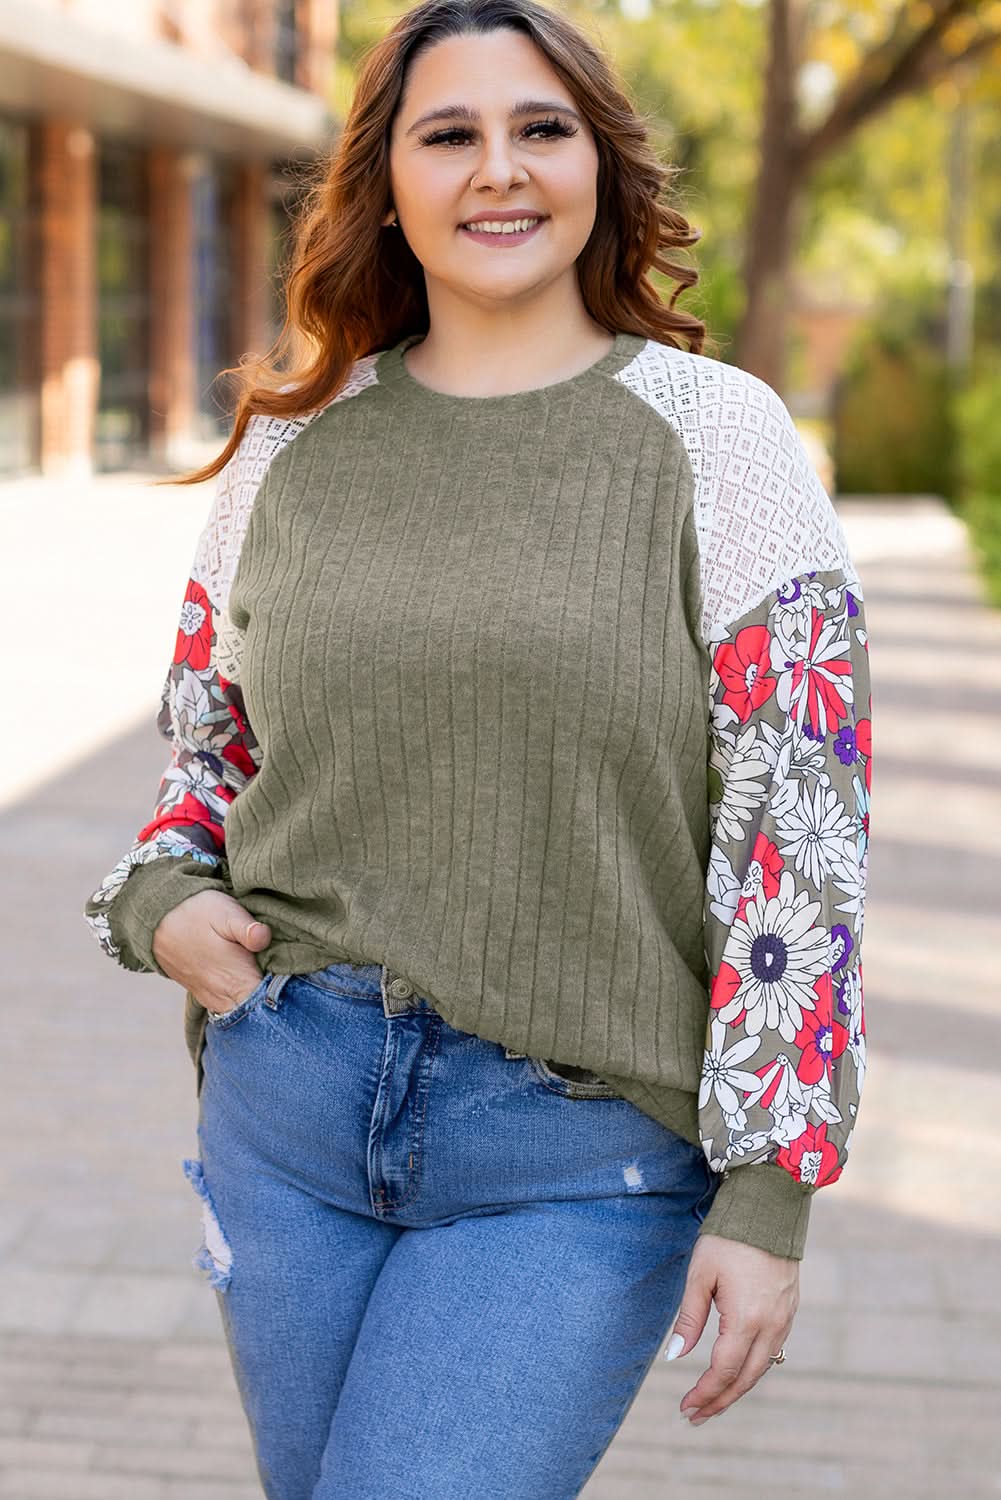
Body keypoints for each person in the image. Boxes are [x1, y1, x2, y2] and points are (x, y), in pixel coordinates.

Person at [83, 0, 872, 1494]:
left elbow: (801, 841)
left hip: (576, 1159)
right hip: (292, 1111)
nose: (497, 171)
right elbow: (205, 752)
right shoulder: (289, 442)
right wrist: (156, 901)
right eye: (449, 135)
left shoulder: (724, 440)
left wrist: (769, 1194)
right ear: (386, 182)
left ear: (600, 167)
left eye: (540, 129)